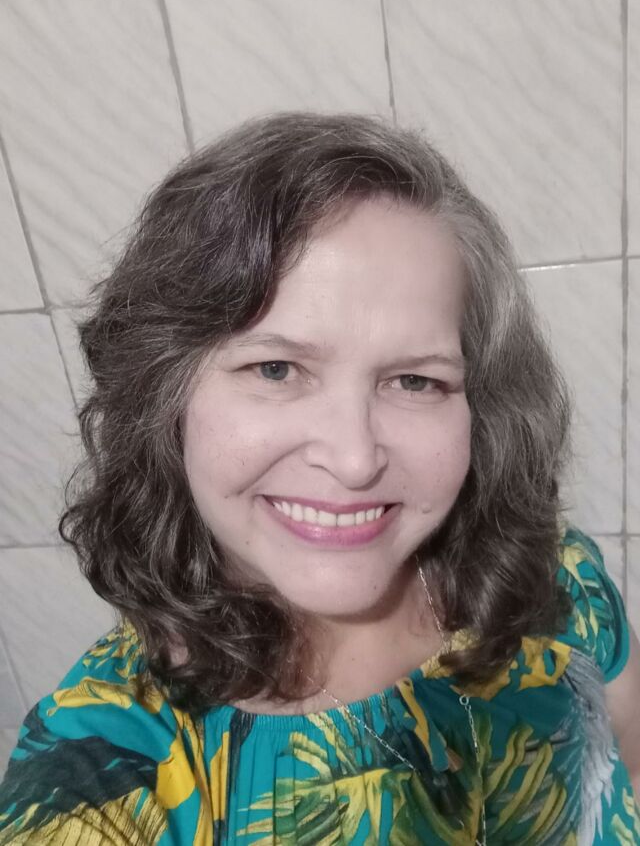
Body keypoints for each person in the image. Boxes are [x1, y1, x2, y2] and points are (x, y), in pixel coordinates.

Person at [0, 112, 638, 846]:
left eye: (415, 380)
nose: (355, 457)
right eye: (276, 369)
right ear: (162, 394)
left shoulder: (550, 569)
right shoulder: (102, 767)